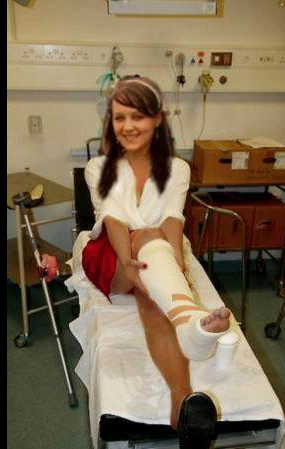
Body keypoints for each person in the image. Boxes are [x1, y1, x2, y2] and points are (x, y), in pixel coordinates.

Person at [82, 75, 232, 448]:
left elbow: (172, 220)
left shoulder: (177, 169)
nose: (128, 126)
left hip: (154, 255)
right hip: (110, 254)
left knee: (154, 302)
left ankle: (182, 403)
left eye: (137, 116)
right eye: (120, 117)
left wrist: (174, 265)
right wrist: (128, 261)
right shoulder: (99, 167)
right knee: (147, 241)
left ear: (156, 119)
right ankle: (190, 322)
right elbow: (114, 218)